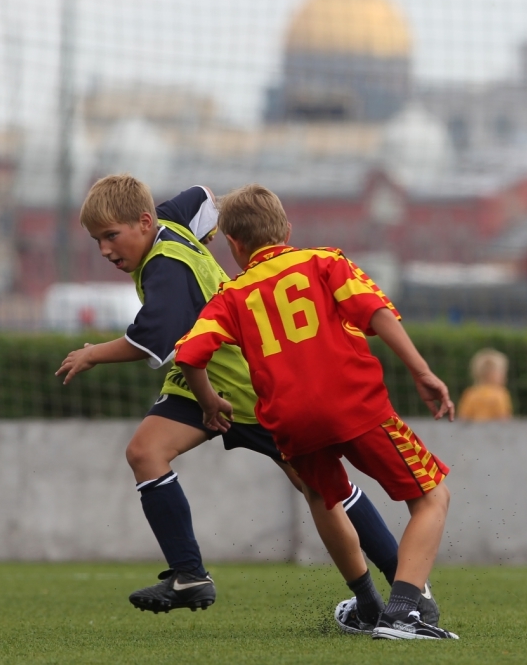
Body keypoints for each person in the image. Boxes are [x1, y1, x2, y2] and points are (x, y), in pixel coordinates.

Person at [56, 175, 436, 622]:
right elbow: (203, 196)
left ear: (143, 222)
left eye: (110, 236)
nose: (105, 250)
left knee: (323, 490)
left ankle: (403, 593)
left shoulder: (166, 269)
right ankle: (189, 574)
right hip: (199, 383)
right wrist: (223, 227)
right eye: (97, 240)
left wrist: (92, 354)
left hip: (245, 387)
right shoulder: (170, 221)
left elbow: (151, 339)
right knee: (145, 452)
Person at [175, 184, 459, 640]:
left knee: (322, 498)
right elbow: (376, 312)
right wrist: (422, 371)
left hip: (290, 421)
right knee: (431, 497)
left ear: (233, 244)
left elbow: (189, 355)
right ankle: (404, 612)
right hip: (353, 404)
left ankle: (368, 605)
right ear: (287, 230)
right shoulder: (325, 261)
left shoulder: (231, 295)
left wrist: (210, 403)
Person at [457, 348, 513, 422]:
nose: (505, 376)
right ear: (491, 374)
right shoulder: (500, 394)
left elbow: (463, 418)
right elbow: (504, 419)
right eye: (502, 373)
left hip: (474, 429)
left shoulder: (470, 394)